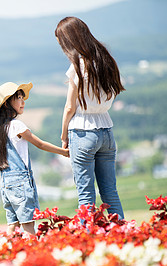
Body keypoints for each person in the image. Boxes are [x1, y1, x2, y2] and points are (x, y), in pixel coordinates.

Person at [55, 16, 125, 219]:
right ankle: (122, 234)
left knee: (86, 196)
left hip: (82, 131)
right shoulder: (105, 61)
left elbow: (70, 107)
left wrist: (64, 135)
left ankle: (87, 239)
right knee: (110, 193)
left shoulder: (77, 66)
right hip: (106, 131)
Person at [0, 82, 69, 236]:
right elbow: (39, 143)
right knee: (28, 227)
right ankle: (31, 254)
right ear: (7, 103)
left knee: (12, 227)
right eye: (18, 98)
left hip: (6, 183)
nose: (23, 102)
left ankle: (4, 252)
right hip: (20, 182)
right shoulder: (17, 126)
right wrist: (64, 152)